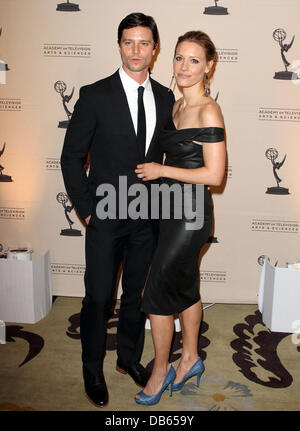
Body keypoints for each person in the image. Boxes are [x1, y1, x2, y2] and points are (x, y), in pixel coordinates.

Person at [60, 12, 174, 407]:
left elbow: (165, 159)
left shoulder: (164, 96)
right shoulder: (95, 95)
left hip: (147, 216)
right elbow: (71, 158)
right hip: (105, 215)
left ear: (154, 48)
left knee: (136, 297)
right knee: (97, 297)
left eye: (144, 42)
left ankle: (128, 357)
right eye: (129, 42)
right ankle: (92, 367)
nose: (136, 50)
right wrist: (87, 210)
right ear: (119, 45)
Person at [134, 30, 226, 405]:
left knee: (154, 295)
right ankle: (190, 357)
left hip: (191, 216)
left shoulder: (208, 109)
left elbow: (214, 176)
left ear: (208, 66)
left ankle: (161, 369)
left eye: (193, 60)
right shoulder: (173, 105)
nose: (184, 67)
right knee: (185, 288)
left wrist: (162, 170)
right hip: (170, 210)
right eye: (178, 58)